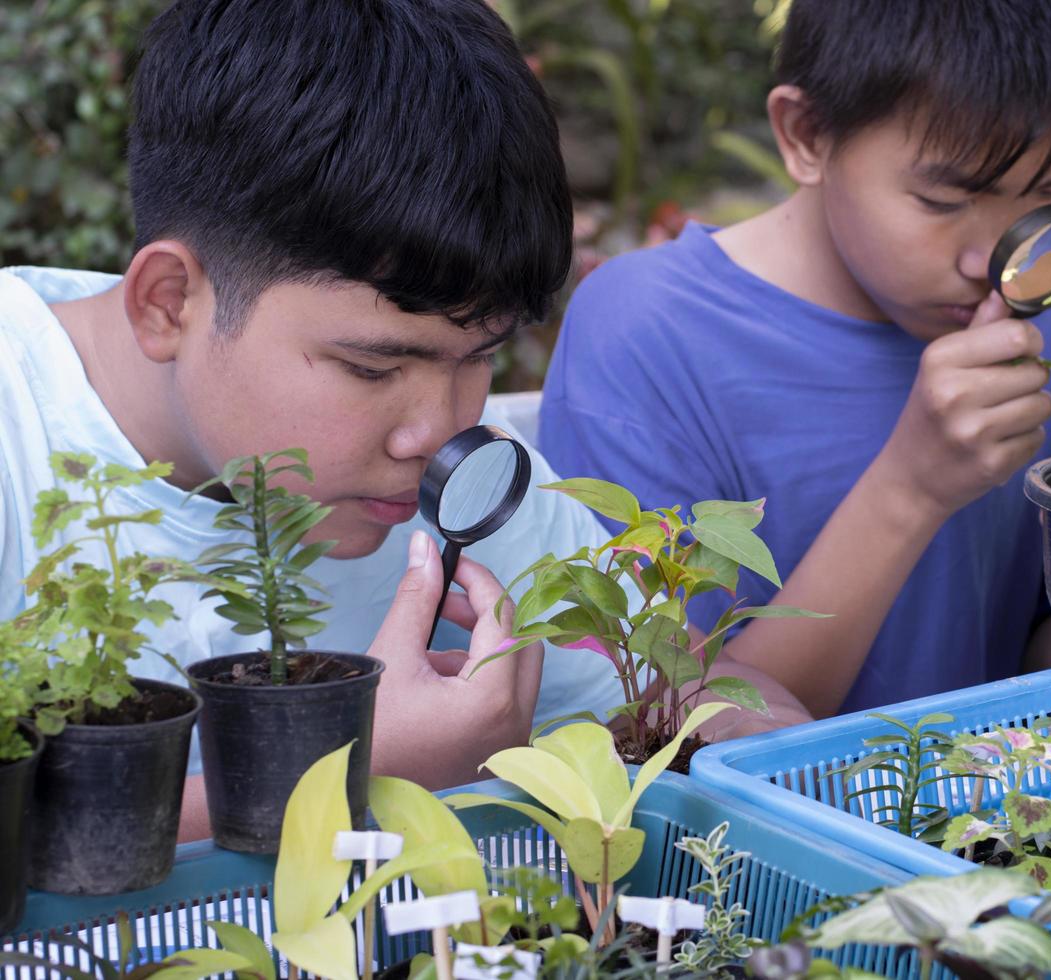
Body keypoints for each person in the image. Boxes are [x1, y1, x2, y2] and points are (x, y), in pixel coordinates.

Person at [0, 0, 802, 842]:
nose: (433, 433)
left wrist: (714, 731)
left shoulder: (484, 495)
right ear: (170, 301)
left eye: (478, 357)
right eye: (372, 368)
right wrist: (357, 772)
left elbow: (705, 705)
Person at [538, 0, 1051, 718]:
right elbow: (667, 731)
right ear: (807, 134)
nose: (992, 261)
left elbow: (1046, 664)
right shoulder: (644, 336)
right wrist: (911, 488)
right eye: (944, 199)